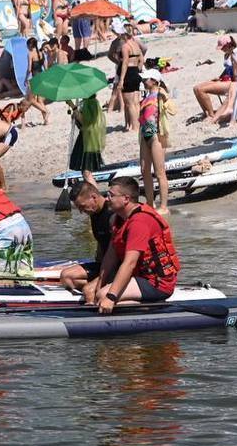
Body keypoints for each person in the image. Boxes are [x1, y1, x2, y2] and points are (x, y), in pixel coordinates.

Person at [86, 176, 180, 313]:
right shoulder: (118, 218)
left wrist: (111, 297)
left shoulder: (139, 223)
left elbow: (129, 263)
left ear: (126, 199)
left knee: (103, 296)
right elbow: (110, 256)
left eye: (111, 195)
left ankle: (152, 306)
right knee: (93, 290)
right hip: (139, 277)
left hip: (157, 283)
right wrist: (100, 283)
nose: (107, 199)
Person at [58, 181, 115, 294]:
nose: (80, 211)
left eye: (82, 207)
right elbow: (101, 242)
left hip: (117, 267)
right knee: (66, 277)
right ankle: (98, 286)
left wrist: (100, 280)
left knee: (88, 290)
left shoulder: (112, 215)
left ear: (94, 197)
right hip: (103, 265)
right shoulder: (93, 213)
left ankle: (101, 290)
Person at [138, 70, 170, 214]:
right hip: (145, 135)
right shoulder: (145, 96)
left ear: (154, 81)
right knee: (144, 170)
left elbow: (169, 102)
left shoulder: (160, 94)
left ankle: (164, 206)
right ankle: (150, 203)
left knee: (159, 172)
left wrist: (163, 92)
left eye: (147, 79)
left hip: (156, 135)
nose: (144, 81)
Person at [192, 36, 237, 122]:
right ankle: (206, 113)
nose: (221, 49)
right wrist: (220, 77)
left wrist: (227, 81)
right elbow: (227, 69)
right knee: (196, 88)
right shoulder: (226, 55)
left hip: (232, 83)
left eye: (222, 47)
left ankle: (211, 115)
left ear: (228, 45)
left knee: (201, 90)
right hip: (225, 79)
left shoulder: (235, 53)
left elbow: (236, 73)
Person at [111, 17, 143, 131]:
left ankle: (135, 126)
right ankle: (138, 124)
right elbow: (141, 59)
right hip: (135, 71)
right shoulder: (135, 44)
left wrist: (121, 80)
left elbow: (124, 63)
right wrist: (138, 70)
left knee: (129, 104)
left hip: (128, 72)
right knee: (136, 102)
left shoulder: (125, 46)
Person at [68, 93, 105, 185]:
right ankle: (90, 194)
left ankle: (95, 194)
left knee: (86, 173)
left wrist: (73, 107)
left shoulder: (90, 103)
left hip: (88, 141)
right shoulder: (88, 103)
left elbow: (85, 122)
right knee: (84, 172)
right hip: (86, 139)